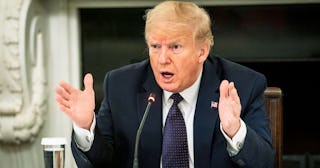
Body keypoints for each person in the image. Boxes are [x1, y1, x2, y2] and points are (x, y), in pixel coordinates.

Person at [55, 1, 274, 167]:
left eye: (175, 47)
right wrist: (85, 127)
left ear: (202, 51)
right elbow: (101, 162)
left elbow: (265, 163)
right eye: (155, 47)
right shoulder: (121, 85)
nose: (162, 59)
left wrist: (234, 130)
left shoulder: (243, 85)